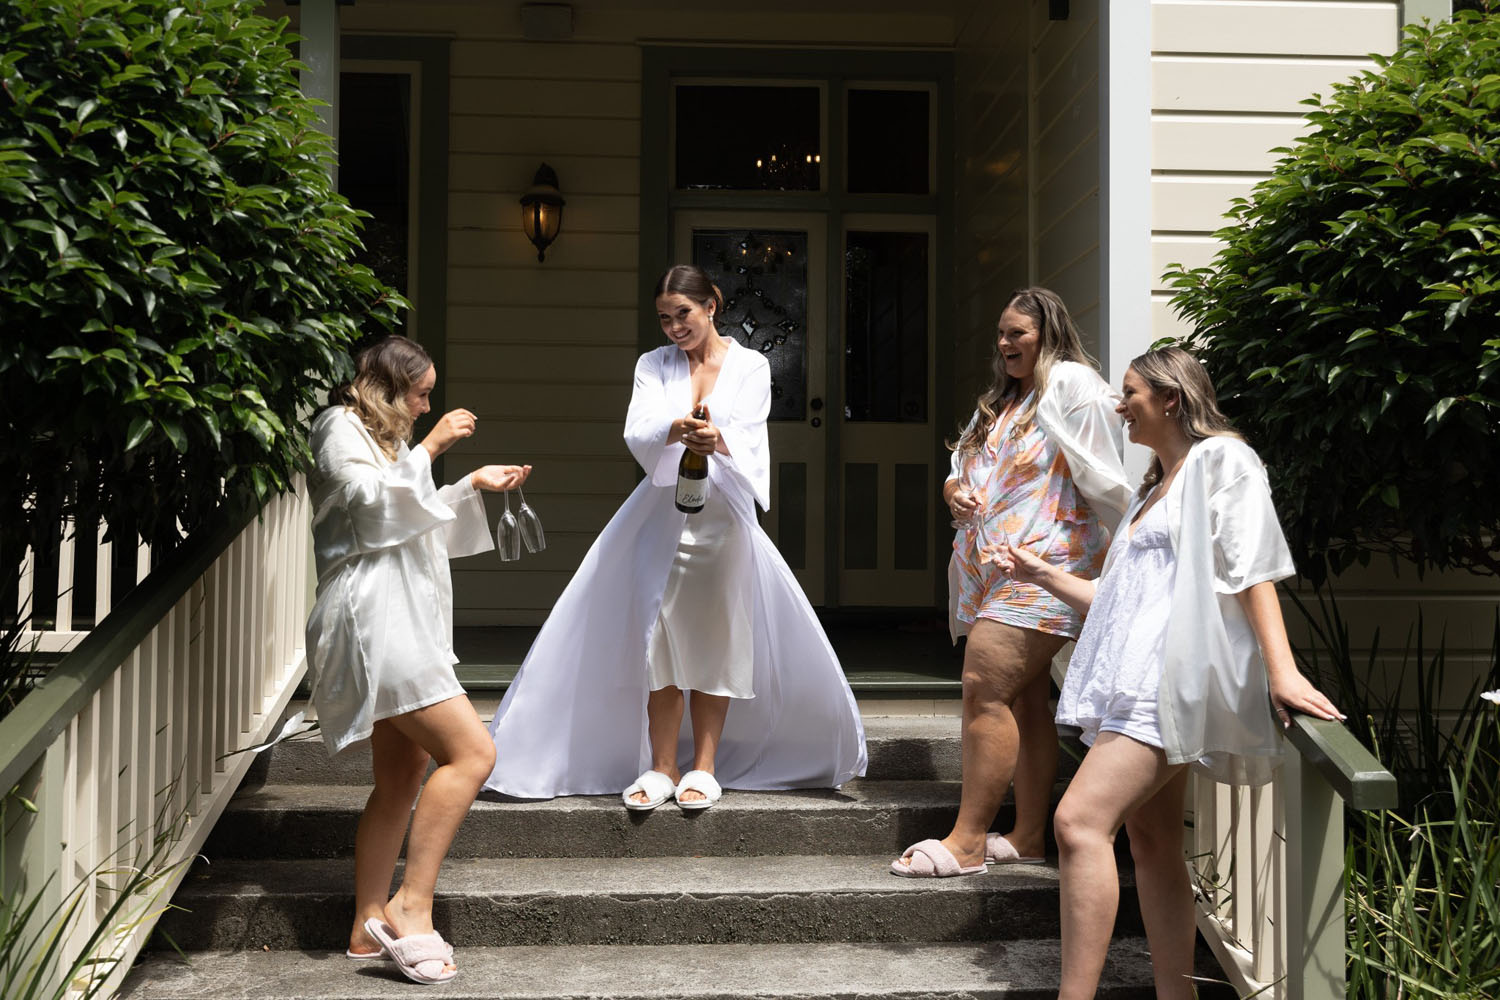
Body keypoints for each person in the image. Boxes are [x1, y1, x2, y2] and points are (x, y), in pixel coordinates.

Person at [995, 346, 1344, 999]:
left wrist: (1283, 671)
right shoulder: (1153, 489)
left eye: (1129, 393)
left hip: (1168, 684)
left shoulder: (1223, 461)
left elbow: (1252, 569)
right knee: (1152, 843)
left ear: (1171, 399)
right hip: (1132, 682)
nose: (1117, 405)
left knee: (1077, 823)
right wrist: (1043, 575)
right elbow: (1118, 600)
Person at [485, 264, 865, 808]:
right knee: (657, 636)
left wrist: (718, 438)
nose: (674, 328)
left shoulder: (751, 364)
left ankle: (704, 767)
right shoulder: (652, 364)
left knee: (715, 636)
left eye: (682, 314)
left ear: (712, 304)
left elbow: (752, 435)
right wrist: (675, 429)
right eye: (664, 319)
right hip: (662, 514)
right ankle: (661, 765)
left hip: (722, 521)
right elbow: (637, 429)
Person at [304, 335, 532, 985]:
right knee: (474, 753)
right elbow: (376, 519)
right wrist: (434, 449)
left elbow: (416, 520)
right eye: (421, 394)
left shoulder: (391, 441)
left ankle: (363, 928)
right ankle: (412, 903)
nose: (428, 407)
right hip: (375, 621)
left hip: (403, 619)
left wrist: (470, 484)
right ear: (385, 387)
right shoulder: (339, 429)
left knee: (403, 777)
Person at [893, 287, 1130, 878]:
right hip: (987, 563)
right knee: (1025, 700)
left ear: (1047, 332)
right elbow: (961, 471)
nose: (1004, 344)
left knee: (983, 686)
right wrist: (955, 490)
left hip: (1047, 563)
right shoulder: (1000, 402)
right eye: (1000, 333)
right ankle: (1026, 837)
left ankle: (968, 840)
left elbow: (1102, 466)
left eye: (1017, 333)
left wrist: (1129, 544)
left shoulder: (1073, 385)